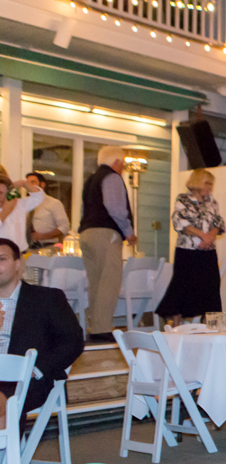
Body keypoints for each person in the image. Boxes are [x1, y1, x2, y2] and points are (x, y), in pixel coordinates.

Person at [0, 238, 84, 464]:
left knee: (3, 400)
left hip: (28, 379)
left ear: (18, 265)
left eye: (1, 259)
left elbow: (73, 341)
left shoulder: (46, 299)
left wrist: (34, 370)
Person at [79, 146, 136, 343]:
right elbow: (117, 209)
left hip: (86, 232)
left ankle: (94, 325)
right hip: (106, 233)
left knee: (95, 282)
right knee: (110, 281)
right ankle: (102, 328)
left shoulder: (91, 179)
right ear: (117, 162)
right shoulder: (112, 178)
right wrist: (129, 233)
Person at [156, 169, 225, 327]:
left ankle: (210, 322)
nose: (210, 187)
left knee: (211, 285)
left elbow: (219, 222)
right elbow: (179, 221)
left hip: (208, 251)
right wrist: (202, 235)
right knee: (182, 285)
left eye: (211, 184)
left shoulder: (212, 202)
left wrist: (210, 236)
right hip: (187, 251)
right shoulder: (183, 199)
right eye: (207, 183)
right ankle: (176, 322)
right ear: (198, 182)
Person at [0, 172, 45, 253]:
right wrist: (6, 211)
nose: (2, 197)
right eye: (0, 193)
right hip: (2, 257)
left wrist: (24, 184)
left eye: (6, 193)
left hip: (20, 254)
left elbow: (38, 197)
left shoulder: (19, 204)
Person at [25, 172, 70, 249]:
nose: (29, 185)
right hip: (27, 248)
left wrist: (43, 236)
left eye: (33, 182)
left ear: (42, 185)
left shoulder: (53, 203)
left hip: (47, 247)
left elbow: (64, 227)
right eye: (27, 183)